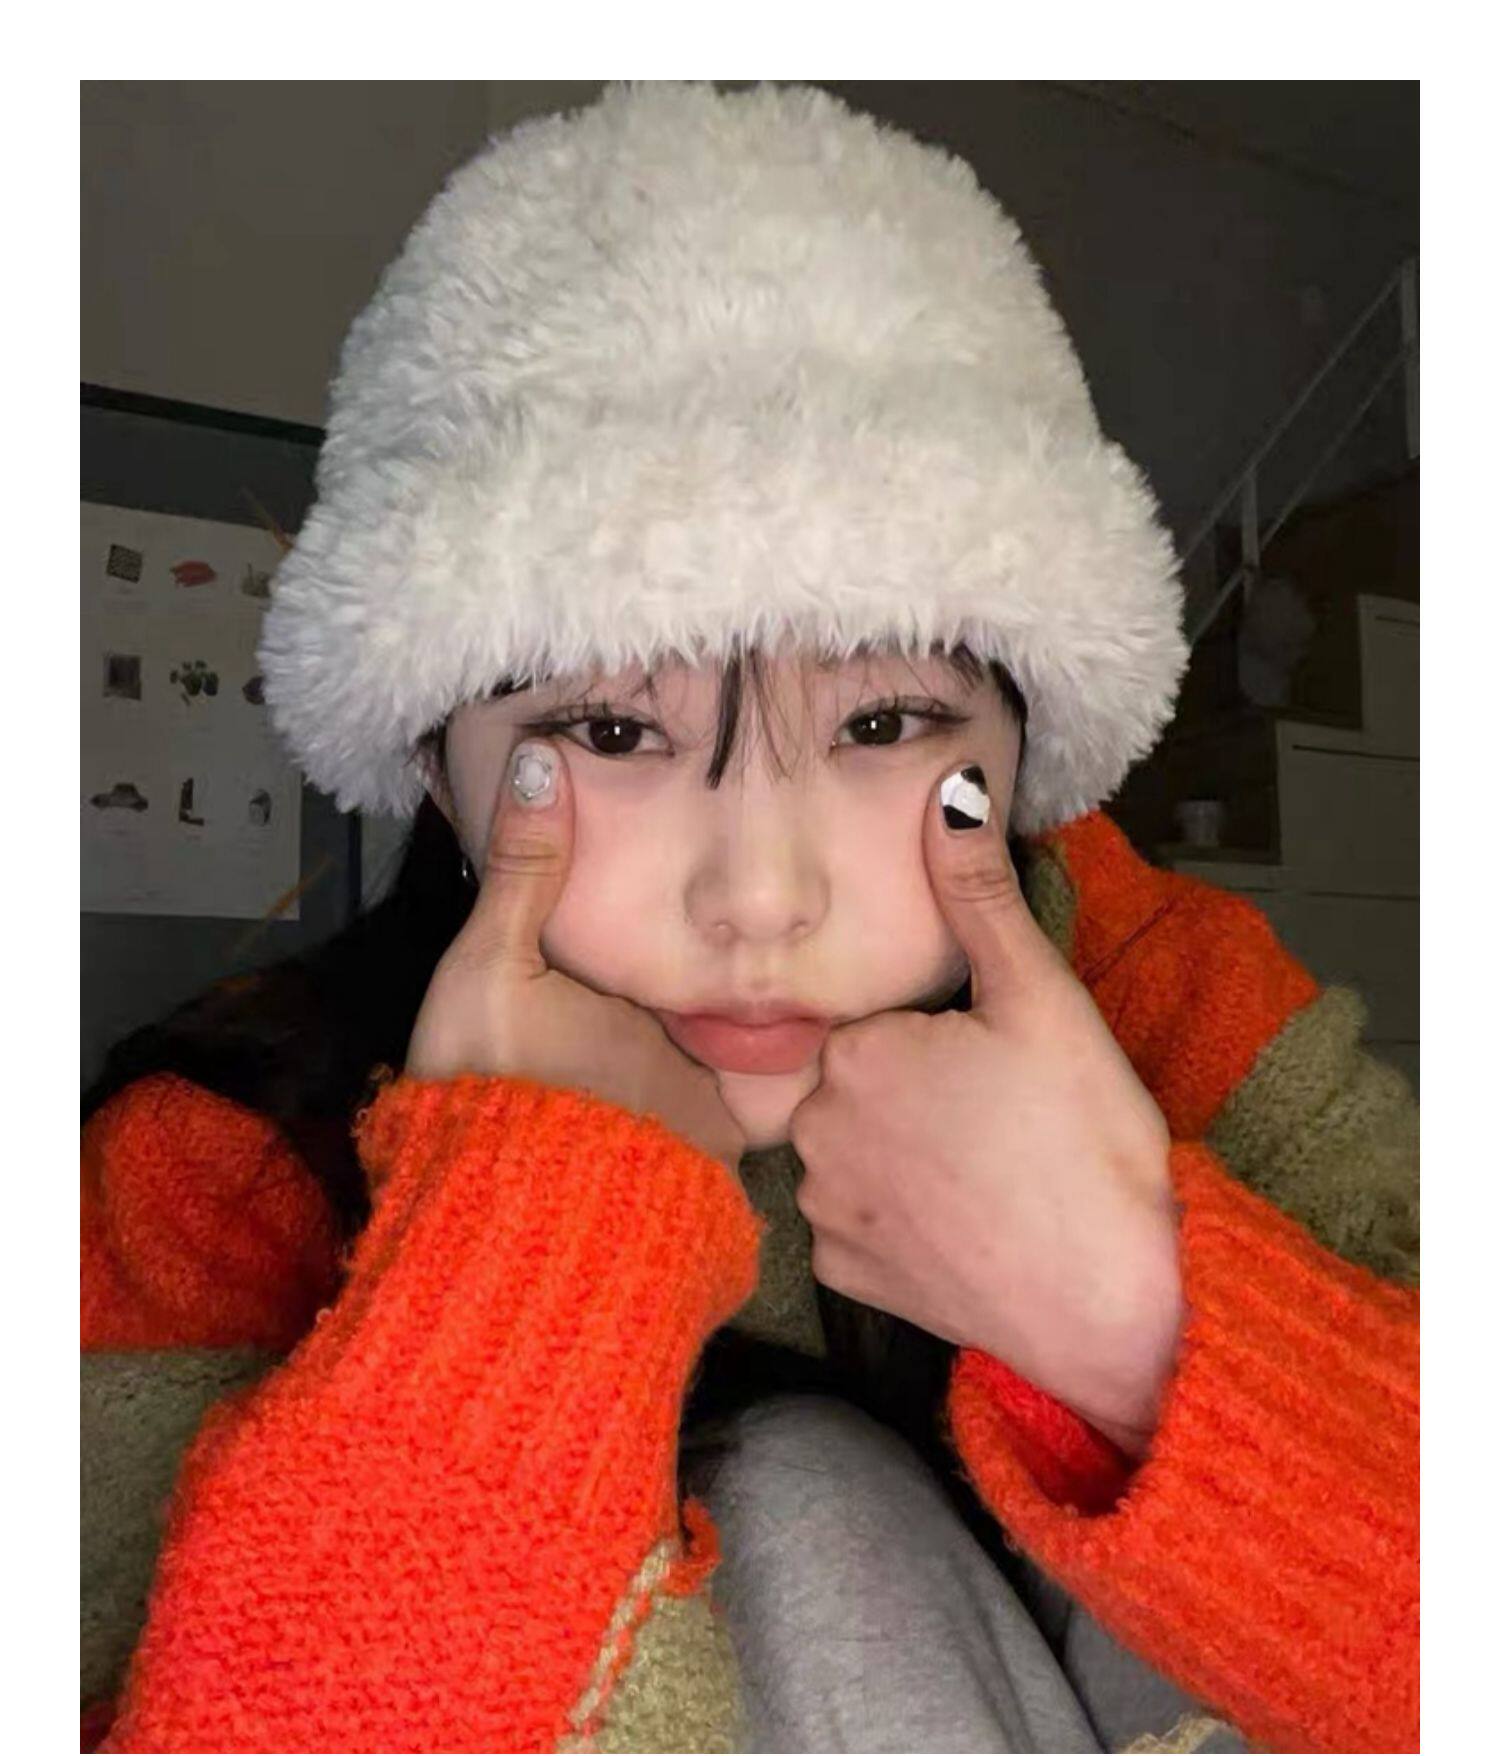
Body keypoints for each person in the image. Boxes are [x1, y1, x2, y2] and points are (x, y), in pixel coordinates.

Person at [81, 82, 1418, 1754]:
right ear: (436, 769)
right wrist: (529, 1248)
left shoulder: (1163, 993)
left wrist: (1138, 1324)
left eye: (885, 724)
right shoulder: (206, 1176)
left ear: (1024, 749)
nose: (764, 896)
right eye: (613, 731)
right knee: (798, 1501)